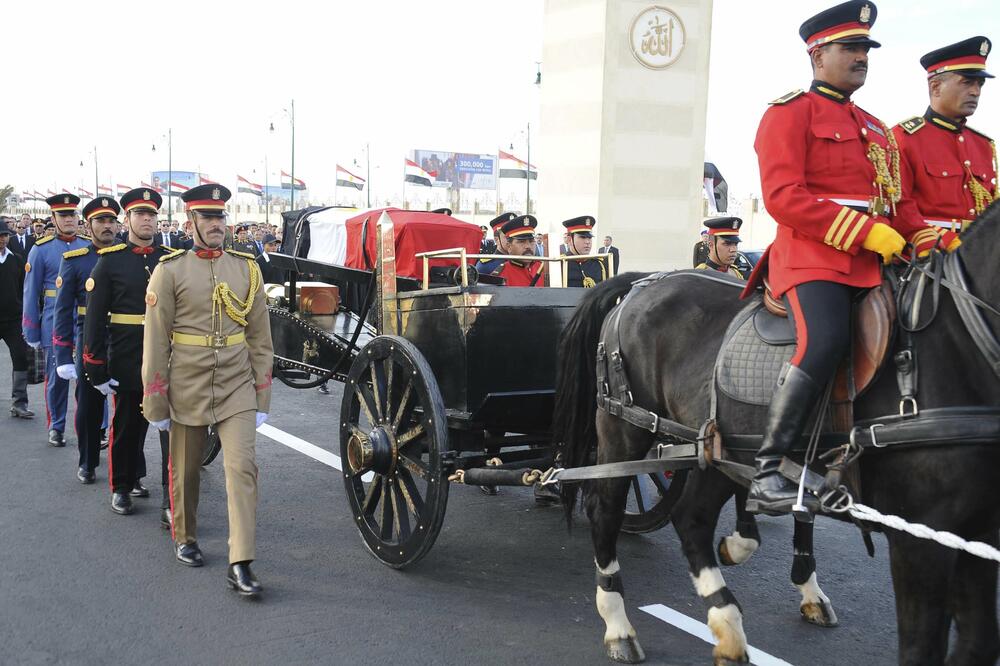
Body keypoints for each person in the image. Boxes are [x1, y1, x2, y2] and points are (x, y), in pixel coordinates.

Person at [744, 0, 952, 515]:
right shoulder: (787, 113)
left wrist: (933, 240)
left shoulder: (878, 130)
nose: (861, 56)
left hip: (872, 262)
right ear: (817, 54)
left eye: (865, 48)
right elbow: (783, 197)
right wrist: (865, 232)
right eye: (850, 47)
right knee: (826, 340)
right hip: (812, 259)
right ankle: (768, 472)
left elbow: (901, 207)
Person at [142, 183, 272, 597]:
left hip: (236, 384)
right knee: (185, 467)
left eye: (220, 217)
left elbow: (260, 339)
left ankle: (242, 561)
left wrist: (261, 395)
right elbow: (156, 343)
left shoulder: (246, 268)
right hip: (186, 381)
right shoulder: (170, 270)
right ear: (190, 222)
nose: (217, 224)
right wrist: (156, 399)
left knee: (242, 467)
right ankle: (185, 535)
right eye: (208, 217)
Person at [83, 187, 170, 516]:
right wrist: (95, 365)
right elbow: (94, 319)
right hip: (128, 354)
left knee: (168, 431)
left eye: (151, 214)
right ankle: (122, 485)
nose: (147, 219)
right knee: (128, 424)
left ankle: (170, 497)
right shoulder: (110, 262)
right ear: (128, 220)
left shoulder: (170, 259)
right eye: (140, 214)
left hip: (166, 355)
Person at [892, 37, 996, 240]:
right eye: (967, 82)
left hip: (978, 252)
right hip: (926, 253)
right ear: (936, 87)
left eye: (979, 84)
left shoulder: (983, 145)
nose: (975, 92)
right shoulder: (904, 138)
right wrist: (946, 241)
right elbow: (899, 206)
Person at [53, 197, 118, 483]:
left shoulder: (128, 257)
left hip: (125, 340)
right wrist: (63, 355)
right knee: (89, 404)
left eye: (111, 221)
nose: (107, 226)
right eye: (100, 221)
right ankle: (88, 460)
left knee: (130, 406)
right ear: (88, 225)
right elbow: (63, 310)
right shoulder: (76, 261)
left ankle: (129, 470)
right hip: (89, 340)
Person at [23, 195, 88, 445]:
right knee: (56, 378)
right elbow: (30, 293)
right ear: (54, 219)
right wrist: (31, 331)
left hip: (83, 318)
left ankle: (97, 427)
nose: (69, 219)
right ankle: (56, 426)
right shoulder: (41, 250)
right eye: (63, 215)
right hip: (53, 321)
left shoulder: (87, 245)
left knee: (90, 377)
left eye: (72, 214)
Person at [0, 220, 33, 419]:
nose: (2, 239)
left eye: (4, 235)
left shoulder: (17, 260)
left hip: (13, 320)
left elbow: (25, 289)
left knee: (20, 358)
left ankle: (19, 402)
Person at [484, 214, 543, 286]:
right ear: (509, 247)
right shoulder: (501, 275)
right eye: (521, 242)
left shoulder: (542, 268)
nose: (528, 246)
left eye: (531, 241)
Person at [561, 216, 607, 288]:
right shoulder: (560, 264)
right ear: (570, 240)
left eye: (589, 238)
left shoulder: (598, 264)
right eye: (582, 237)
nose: (587, 242)